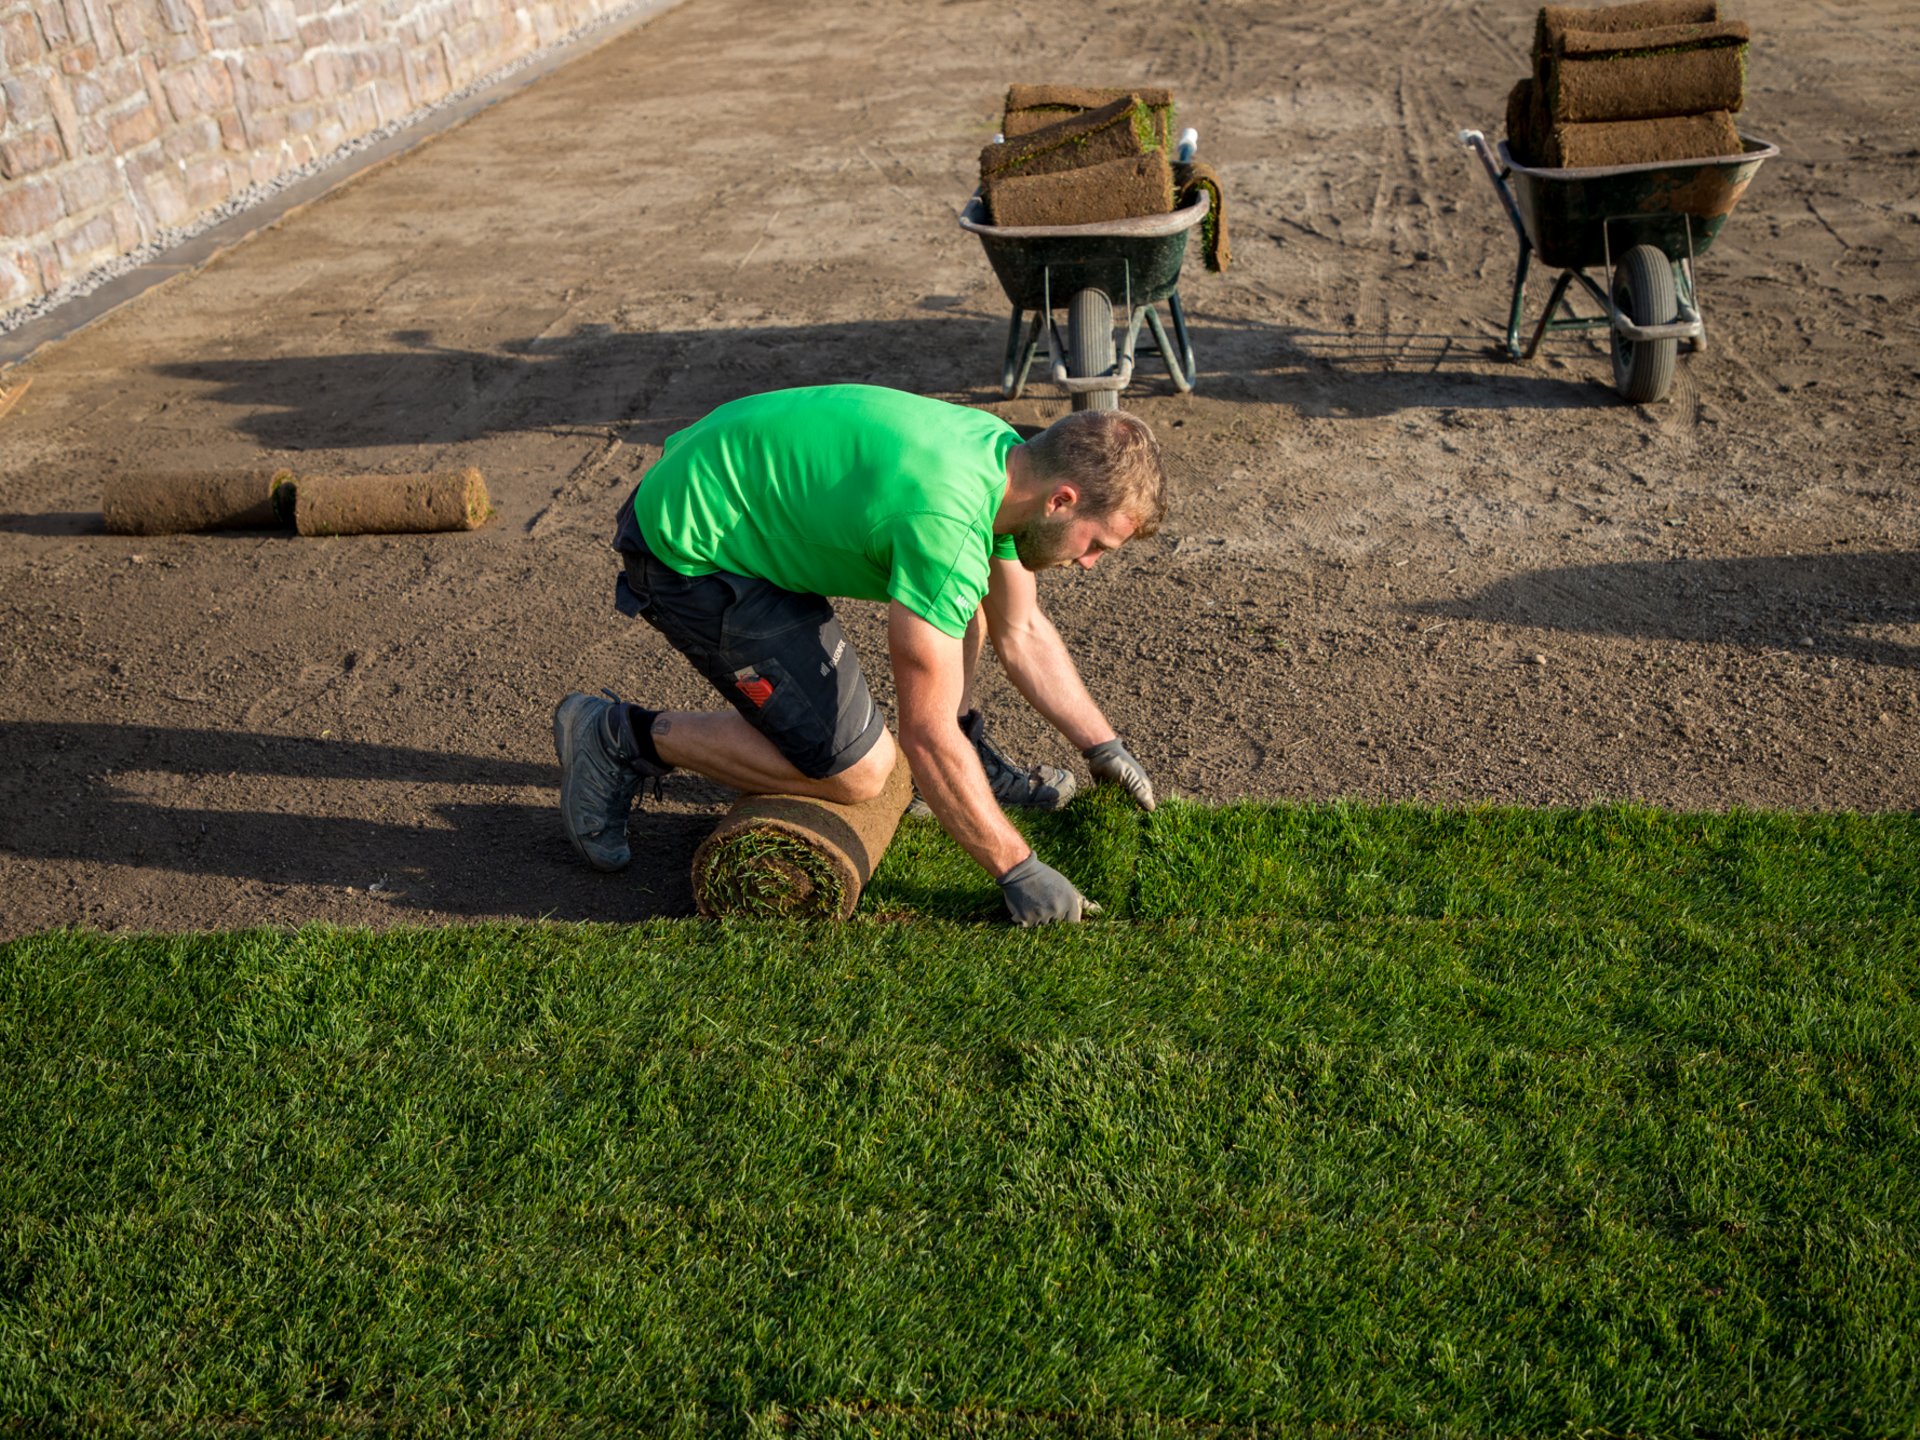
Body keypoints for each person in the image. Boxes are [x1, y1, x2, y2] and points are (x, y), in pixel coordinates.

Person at [553, 383, 1165, 925]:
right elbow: (921, 738)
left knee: (970, 603)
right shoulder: (945, 522)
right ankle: (618, 736)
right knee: (861, 772)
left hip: (733, 482)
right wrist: (1019, 870)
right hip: (691, 547)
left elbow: (1022, 627)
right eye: (1098, 544)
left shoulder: (1005, 459)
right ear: (1062, 500)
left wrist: (1102, 747)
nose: (1088, 563)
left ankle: (966, 758)